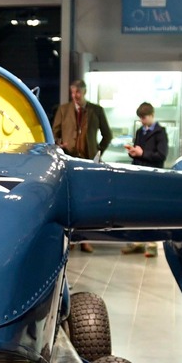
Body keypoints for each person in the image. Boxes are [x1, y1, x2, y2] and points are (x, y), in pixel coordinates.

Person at [57, 79, 111, 251]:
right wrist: (60, 143)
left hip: (89, 162)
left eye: (78, 93)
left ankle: (85, 239)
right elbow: (54, 132)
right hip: (69, 160)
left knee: (88, 201)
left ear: (84, 92)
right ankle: (70, 239)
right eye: (72, 93)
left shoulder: (96, 110)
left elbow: (107, 135)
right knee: (69, 200)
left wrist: (98, 151)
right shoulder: (63, 110)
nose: (75, 96)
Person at [122, 103, 168, 257]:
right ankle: (138, 241)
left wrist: (142, 153)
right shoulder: (140, 131)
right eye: (140, 118)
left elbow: (161, 155)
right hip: (138, 173)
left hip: (152, 176)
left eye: (144, 117)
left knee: (151, 211)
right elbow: (138, 150)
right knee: (136, 209)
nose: (142, 121)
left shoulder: (160, 133)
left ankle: (152, 244)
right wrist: (133, 152)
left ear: (152, 115)